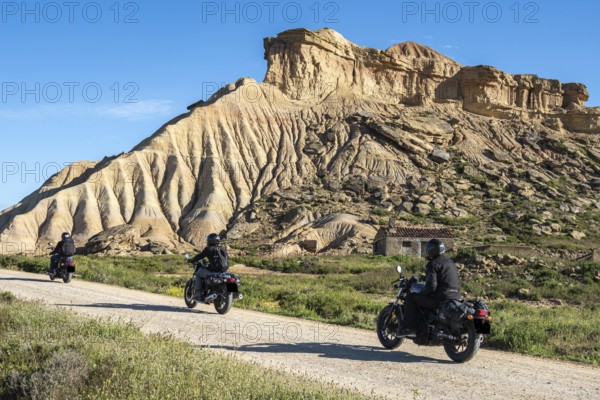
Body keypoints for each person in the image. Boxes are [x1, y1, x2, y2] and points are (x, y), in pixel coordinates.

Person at [400, 238, 460, 336]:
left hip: (440, 298)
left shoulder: (433, 263)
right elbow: (442, 278)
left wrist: (422, 292)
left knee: (412, 297)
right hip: (455, 297)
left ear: (431, 250)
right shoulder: (451, 262)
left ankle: (409, 328)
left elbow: (432, 286)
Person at [189, 233, 229, 301]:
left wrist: (192, 260)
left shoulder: (208, 249)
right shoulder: (223, 248)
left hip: (213, 271)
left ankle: (198, 293)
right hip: (225, 271)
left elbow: (200, 256)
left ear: (210, 241)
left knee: (198, 273)